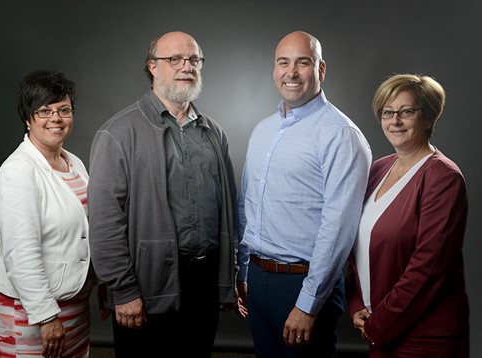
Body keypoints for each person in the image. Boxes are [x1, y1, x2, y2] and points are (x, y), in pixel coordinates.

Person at [88, 31, 238, 358]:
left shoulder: (214, 134)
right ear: (152, 67)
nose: (186, 67)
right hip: (147, 284)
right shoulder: (118, 132)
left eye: (194, 60)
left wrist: (228, 278)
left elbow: (230, 211)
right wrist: (123, 291)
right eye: (175, 60)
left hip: (205, 284)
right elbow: (103, 222)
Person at [235, 31, 372, 357]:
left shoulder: (341, 136)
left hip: (303, 284)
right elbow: (247, 205)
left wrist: (309, 303)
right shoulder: (263, 130)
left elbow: (338, 228)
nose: (291, 72)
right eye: (283, 62)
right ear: (274, 69)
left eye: (303, 63)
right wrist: (243, 271)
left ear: (321, 69)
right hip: (258, 279)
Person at [345, 74, 470, 357]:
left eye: (406, 112)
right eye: (387, 112)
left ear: (428, 118)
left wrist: (379, 324)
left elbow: (428, 267)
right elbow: (356, 248)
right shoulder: (378, 169)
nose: (395, 121)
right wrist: (356, 306)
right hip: (378, 329)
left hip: (425, 337)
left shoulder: (443, 177)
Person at [0, 70, 102, 358]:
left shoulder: (72, 162)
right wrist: (45, 316)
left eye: (64, 110)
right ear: (28, 119)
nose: (56, 118)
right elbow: (20, 251)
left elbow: (86, 230)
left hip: (74, 304)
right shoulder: (17, 172)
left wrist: (100, 280)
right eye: (45, 111)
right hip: (31, 312)